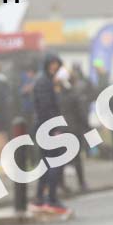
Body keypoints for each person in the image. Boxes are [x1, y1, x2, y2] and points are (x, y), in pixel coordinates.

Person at [30, 54, 70, 214]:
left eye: (57, 64)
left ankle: (40, 197)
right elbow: (46, 108)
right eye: (52, 64)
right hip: (48, 128)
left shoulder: (46, 80)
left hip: (45, 127)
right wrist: (54, 129)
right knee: (55, 162)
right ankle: (51, 198)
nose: (55, 67)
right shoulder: (44, 82)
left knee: (46, 163)